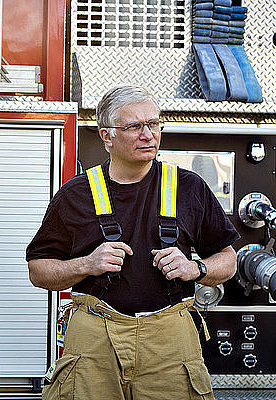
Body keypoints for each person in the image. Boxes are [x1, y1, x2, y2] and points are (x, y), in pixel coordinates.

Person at [26, 85, 239, 400]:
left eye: (153, 124)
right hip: (95, 340)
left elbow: (229, 258)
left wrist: (195, 267)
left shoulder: (189, 188)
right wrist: (87, 263)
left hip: (169, 338)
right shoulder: (75, 195)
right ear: (106, 136)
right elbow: (38, 270)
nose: (148, 135)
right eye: (134, 127)